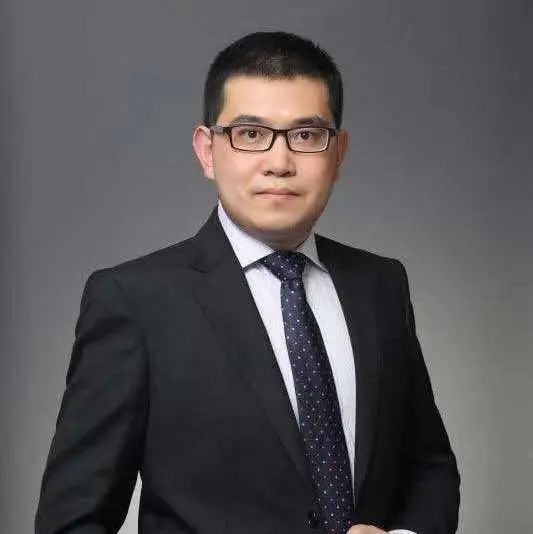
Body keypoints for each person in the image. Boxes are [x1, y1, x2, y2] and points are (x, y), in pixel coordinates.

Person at [35, 31, 460, 534]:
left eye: (306, 135)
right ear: (207, 150)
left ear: (338, 153)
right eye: (251, 134)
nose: (279, 163)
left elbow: (428, 465)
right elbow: (72, 520)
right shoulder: (136, 301)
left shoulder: (380, 285)